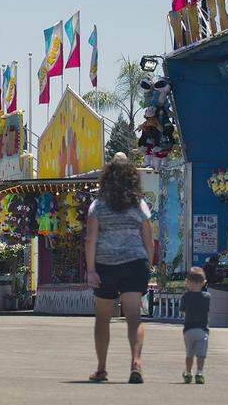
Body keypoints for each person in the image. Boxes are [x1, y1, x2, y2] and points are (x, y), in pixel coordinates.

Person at [84, 161, 153, 384]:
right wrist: (148, 265)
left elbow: (91, 238)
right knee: (134, 316)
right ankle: (136, 363)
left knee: (103, 318)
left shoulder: (98, 205)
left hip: (105, 267)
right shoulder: (139, 204)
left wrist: (91, 270)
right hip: (135, 263)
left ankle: (102, 369)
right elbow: (148, 238)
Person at [180, 266, 210, 384]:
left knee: (189, 353)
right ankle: (199, 373)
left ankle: (188, 372)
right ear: (203, 283)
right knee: (201, 354)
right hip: (202, 330)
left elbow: (182, 310)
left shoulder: (185, 296)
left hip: (188, 330)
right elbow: (207, 310)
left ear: (187, 282)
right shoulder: (207, 297)